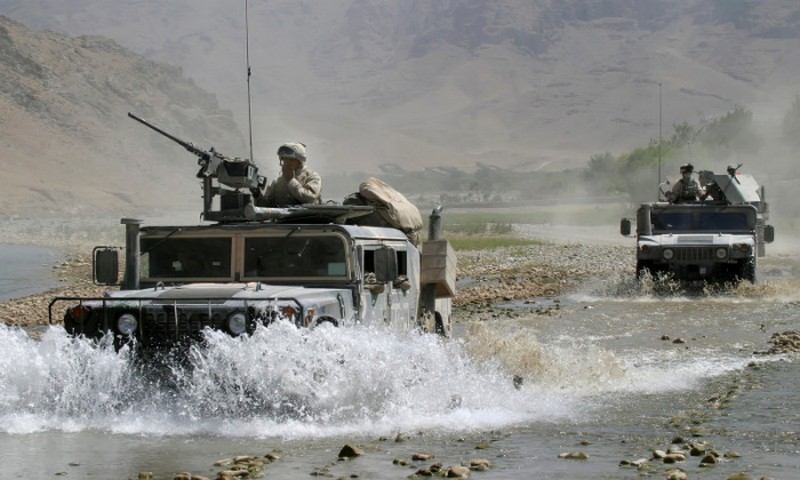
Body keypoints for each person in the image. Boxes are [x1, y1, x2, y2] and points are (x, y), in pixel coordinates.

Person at [252, 142, 322, 207]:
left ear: (299, 161)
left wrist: (291, 181)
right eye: (284, 160)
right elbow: (267, 207)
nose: (287, 163)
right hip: (283, 220)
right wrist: (257, 194)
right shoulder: (278, 182)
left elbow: (310, 198)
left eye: (291, 160)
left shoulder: (312, 176)